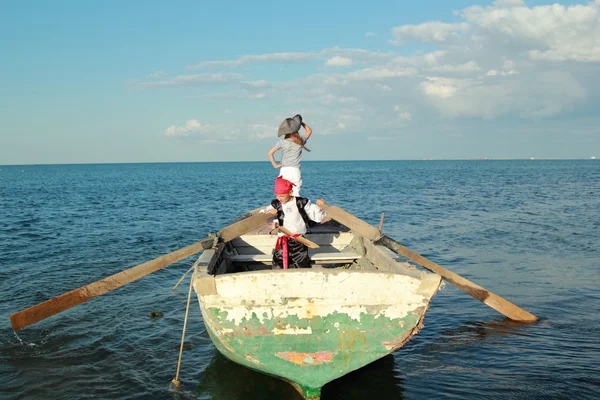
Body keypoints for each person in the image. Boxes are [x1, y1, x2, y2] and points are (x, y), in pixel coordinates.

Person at [261, 176, 327, 269]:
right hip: (282, 240)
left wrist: (321, 207)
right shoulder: (276, 204)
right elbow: (263, 215)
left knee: (301, 264)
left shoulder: (301, 202)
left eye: (282, 196)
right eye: (277, 195)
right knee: (279, 264)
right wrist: (268, 214)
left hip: (298, 240)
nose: (279, 198)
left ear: (290, 192)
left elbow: (316, 215)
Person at [268, 114, 312, 197]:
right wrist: (300, 123)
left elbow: (270, 153)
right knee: (295, 192)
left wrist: (275, 165)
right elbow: (309, 131)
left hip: (284, 170)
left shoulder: (282, 142)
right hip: (294, 170)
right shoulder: (300, 141)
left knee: (283, 192)